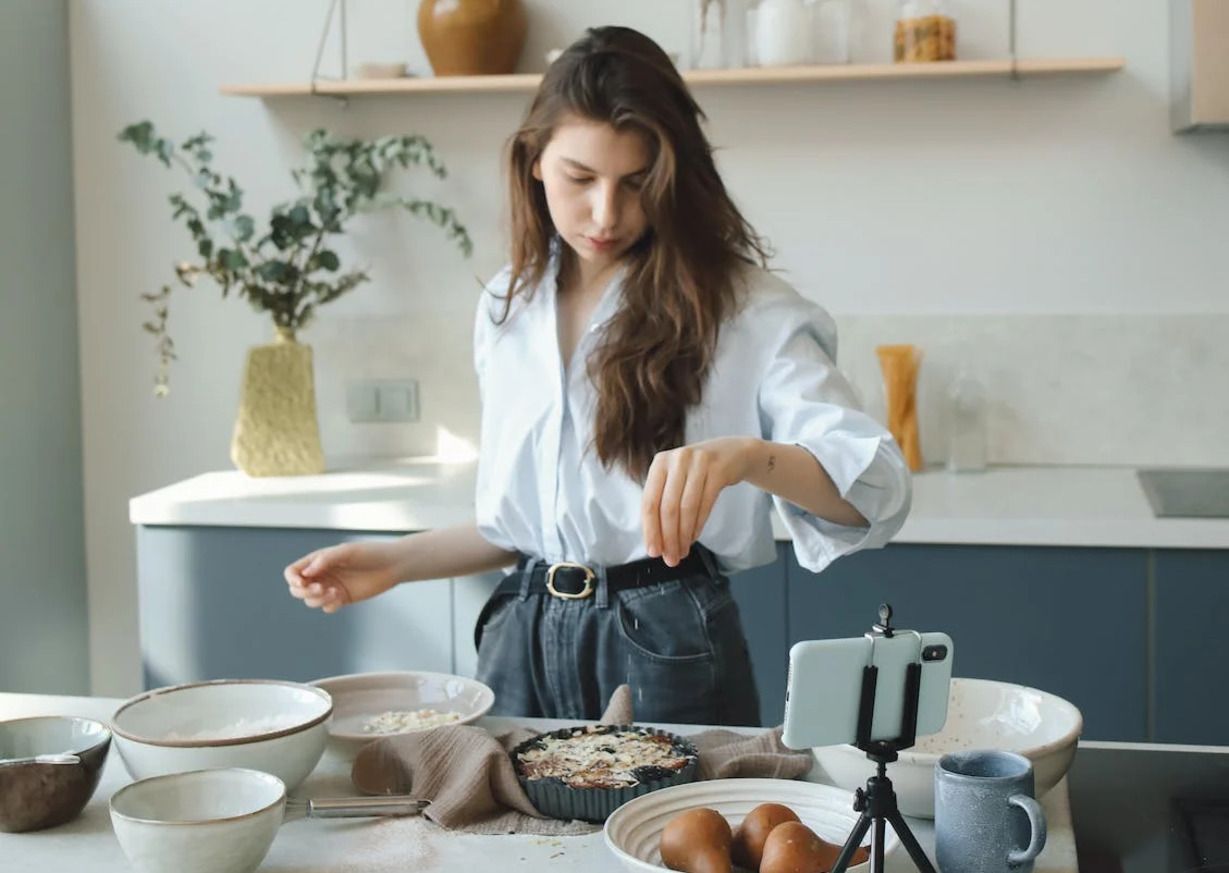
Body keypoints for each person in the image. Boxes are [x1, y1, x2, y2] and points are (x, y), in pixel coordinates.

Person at [285, 26, 910, 726]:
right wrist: (394, 562)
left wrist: (747, 457)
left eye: (636, 183)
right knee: (502, 803)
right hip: (518, 635)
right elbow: (523, 527)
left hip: (666, 644)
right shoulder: (508, 305)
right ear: (534, 162)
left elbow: (875, 489)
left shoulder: (746, 310)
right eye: (580, 179)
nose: (606, 213)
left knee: (679, 805)